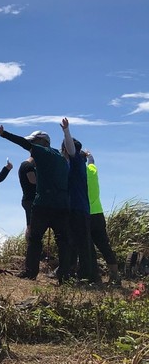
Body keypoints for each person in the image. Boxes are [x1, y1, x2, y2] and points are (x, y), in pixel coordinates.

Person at [0, 125, 69, 280]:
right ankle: (64, 274)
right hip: (62, 204)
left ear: (44, 142)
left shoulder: (43, 152)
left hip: (43, 203)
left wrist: (4, 134)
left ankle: (30, 273)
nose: (32, 145)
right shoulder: (61, 157)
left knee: (35, 239)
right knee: (63, 240)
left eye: (35, 142)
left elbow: (23, 143)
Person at [61, 118, 97, 283]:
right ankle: (84, 273)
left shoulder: (75, 161)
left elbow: (70, 148)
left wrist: (66, 131)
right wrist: (90, 157)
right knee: (81, 242)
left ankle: (84, 275)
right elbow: (89, 160)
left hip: (76, 207)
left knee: (78, 242)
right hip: (81, 208)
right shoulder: (81, 162)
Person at [85, 150, 121, 285]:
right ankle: (115, 275)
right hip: (98, 213)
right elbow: (92, 162)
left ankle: (93, 276)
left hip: (84, 214)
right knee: (104, 246)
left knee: (87, 247)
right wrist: (89, 155)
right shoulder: (92, 171)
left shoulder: (77, 174)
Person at [17, 156, 36, 241]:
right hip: (30, 199)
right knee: (31, 225)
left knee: (30, 224)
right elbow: (33, 180)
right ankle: (30, 245)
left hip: (28, 199)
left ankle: (29, 244)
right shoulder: (28, 166)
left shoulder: (24, 165)